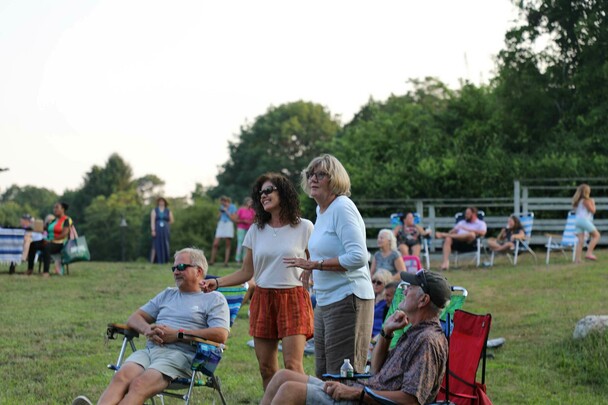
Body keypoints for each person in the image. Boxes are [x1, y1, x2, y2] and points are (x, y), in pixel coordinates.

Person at [260, 270, 451, 405]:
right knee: (282, 376)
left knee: (290, 390)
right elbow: (376, 370)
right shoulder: (414, 331)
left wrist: (354, 393)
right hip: (364, 392)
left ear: (423, 300)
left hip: (365, 400)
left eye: (410, 287)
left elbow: (411, 400)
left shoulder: (427, 341)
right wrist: (386, 332)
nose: (405, 290)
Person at [72, 247, 230, 405]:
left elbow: (221, 334)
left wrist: (178, 334)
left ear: (199, 271)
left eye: (181, 267)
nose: (175, 272)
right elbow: (135, 318)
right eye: (173, 268)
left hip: (181, 357)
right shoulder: (168, 294)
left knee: (139, 385)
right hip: (150, 351)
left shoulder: (214, 299)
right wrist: (148, 330)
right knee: (121, 377)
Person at [201, 173, 314, 390]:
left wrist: (309, 272)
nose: (263, 196)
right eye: (260, 193)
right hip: (263, 298)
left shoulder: (304, 227)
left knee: (293, 367)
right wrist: (217, 282)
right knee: (266, 369)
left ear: (284, 192)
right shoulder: (256, 229)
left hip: (293, 298)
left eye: (268, 190)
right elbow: (246, 271)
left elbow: (315, 260)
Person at [284, 153, 374, 378]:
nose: (313, 179)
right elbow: (329, 249)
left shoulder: (342, 207)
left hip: (348, 298)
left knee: (343, 376)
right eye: (310, 174)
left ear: (334, 179)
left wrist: (317, 264)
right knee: (324, 373)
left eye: (321, 174)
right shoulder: (321, 210)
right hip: (326, 300)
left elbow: (358, 257)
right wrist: (311, 267)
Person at [25, 202, 72, 278]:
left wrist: (51, 240)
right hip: (49, 241)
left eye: (57, 207)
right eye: (54, 208)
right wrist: (32, 227)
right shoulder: (53, 221)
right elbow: (44, 229)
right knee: (33, 244)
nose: (54, 210)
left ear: (63, 209)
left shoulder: (67, 220)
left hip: (61, 244)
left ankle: (46, 272)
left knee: (47, 247)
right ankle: (30, 269)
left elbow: (64, 234)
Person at [572, 183, 601, 262]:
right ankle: (589, 253)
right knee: (597, 235)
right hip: (584, 220)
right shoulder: (586, 201)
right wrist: (593, 203)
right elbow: (593, 211)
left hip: (577, 221)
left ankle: (577, 259)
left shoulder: (577, 202)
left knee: (580, 240)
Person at [209, 196, 237, 266]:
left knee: (227, 244)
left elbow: (233, 219)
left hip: (228, 224)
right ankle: (212, 261)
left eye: (223, 202)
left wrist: (227, 211)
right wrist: (221, 212)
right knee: (215, 244)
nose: (222, 204)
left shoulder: (233, 207)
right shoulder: (221, 207)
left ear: (226, 201)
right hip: (221, 224)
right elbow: (218, 218)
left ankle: (226, 262)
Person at [150, 197, 174, 264]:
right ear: (158, 202)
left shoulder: (168, 210)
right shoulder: (154, 210)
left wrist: (165, 224)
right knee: (156, 244)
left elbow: (171, 220)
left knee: (166, 244)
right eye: (160, 201)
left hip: (165, 230)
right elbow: (152, 221)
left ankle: (166, 260)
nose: (161, 202)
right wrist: (153, 230)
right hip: (157, 229)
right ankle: (154, 261)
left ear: (165, 202)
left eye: (162, 201)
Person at [232, 197, 255, 263]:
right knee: (240, 243)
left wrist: (250, 221)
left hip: (249, 229)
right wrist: (243, 221)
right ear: (246, 202)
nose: (251, 203)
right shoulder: (241, 209)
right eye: (250, 202)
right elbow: (236, 220)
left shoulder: (252, 211)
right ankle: (237, 259)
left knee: (247, 245)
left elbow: (254, 219)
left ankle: (244, 259)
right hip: (241, 228)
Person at [371, 269, 393, 337]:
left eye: (379, 282)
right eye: (373, 281)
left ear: (386, 284)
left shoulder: (387, 302)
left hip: (379, 335)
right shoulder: (371, 298)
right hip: (368, 334)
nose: (375, 284)